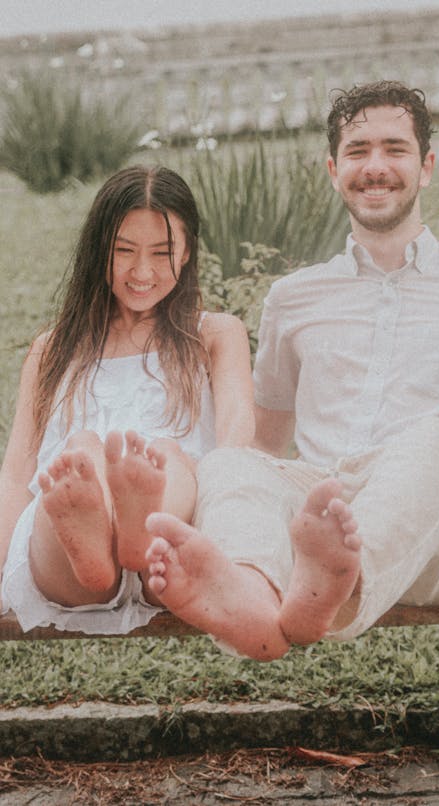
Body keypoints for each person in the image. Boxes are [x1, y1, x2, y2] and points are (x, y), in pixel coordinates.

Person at [145, 80, 439, 661]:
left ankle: (341, 587)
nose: (375, 167)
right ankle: (254, 590)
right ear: (334, 170)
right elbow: (268, 436)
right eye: (358, 151)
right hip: (325, 508)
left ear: (427, 166)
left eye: (395, 149)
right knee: (231, 459)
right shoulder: (293, 297)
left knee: (431, 439)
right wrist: (233, 488)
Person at [0, 165, 254, 634]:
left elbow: (235, 446)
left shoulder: (215, 335)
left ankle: (139, 532)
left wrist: (233, 541)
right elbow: (18, 470)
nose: (142, 272)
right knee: (81, 456)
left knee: (169, 459)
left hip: (176, 546)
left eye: (162, 253)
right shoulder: (53, 349)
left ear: (188, 251)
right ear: (99, 251)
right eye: (124, 252)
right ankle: (97, 558)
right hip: (65, 562)